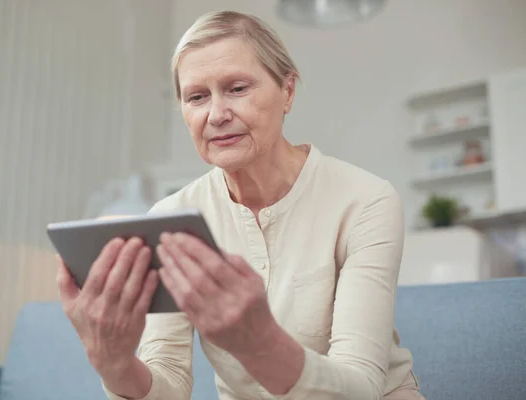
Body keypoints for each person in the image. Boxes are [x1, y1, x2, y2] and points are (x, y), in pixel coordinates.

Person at [56, 10, 424, 400]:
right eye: (196, 97)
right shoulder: (170, 219)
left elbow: (361, 386)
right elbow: (169, 382)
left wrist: (258, 341)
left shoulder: (366, 200)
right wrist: (115, 366)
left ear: (288, 91)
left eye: (237, 88)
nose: (216, 115)